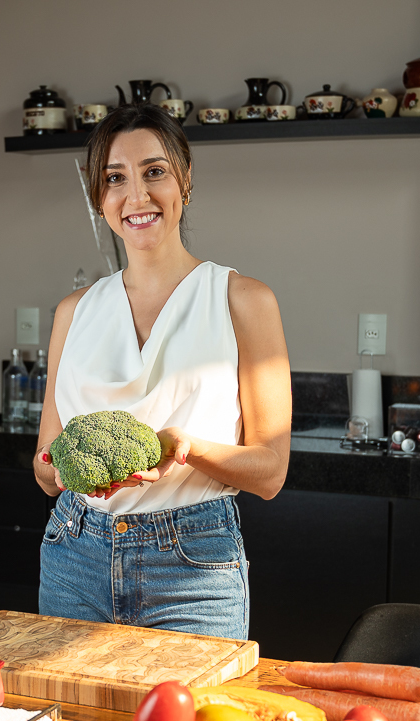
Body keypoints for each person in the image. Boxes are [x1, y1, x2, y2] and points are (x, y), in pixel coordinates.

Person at [31, 103, 291, 640]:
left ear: (184, 182)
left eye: (154, 172)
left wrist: (182, 447)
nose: (137, 197)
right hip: (75, 553)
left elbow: (271, 472)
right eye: (115, 179)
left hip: (193, 562)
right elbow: (44, 470)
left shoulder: (243, 299)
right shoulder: (72, 313)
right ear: (99, 199)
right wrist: (66, 469)